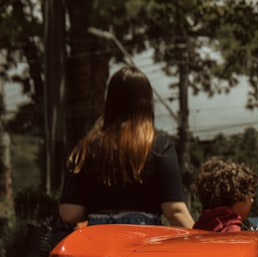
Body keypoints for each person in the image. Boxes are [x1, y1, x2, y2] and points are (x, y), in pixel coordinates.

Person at [59, 66, 195, 229]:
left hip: (97, 237)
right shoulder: (160, 148)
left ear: (109, 101)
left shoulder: (85, 148)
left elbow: (69, 212)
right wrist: (203, 241)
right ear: (147, 103)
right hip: (142, 237)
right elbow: (175, 211)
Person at [192, 158, 258, 233]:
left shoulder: (199, 226)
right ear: (236, 197)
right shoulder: (233, 231)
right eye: (250, 196)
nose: (252, 201)